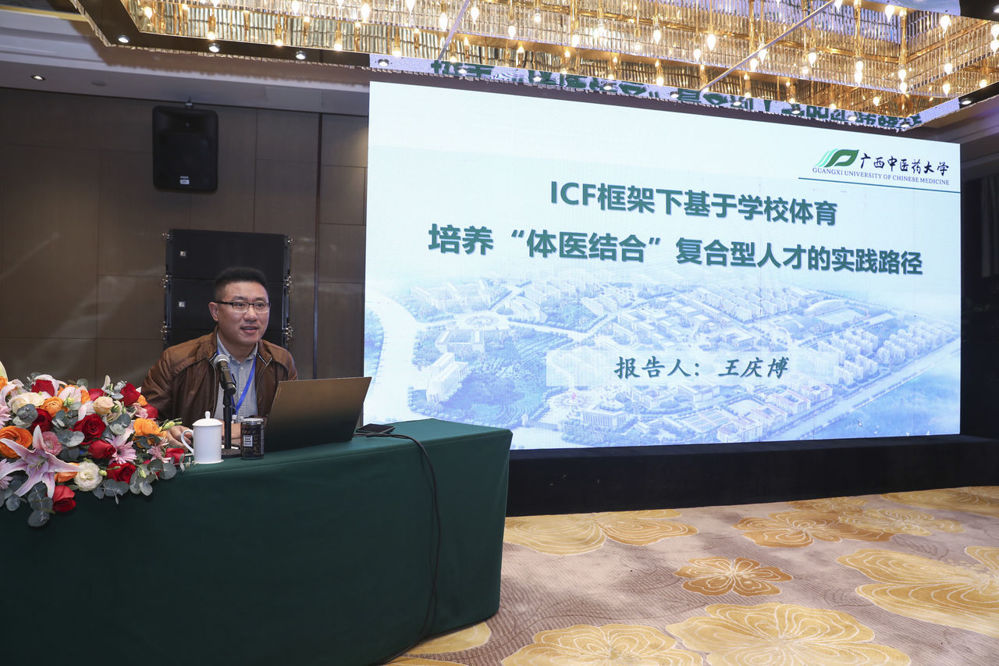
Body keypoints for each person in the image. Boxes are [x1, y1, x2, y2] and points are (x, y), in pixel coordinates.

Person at [142, 266, 297, 446]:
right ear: (215, 311)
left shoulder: (281, 361)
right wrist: (168, 431)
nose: (252, 315)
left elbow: (292, 421)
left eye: (260, 305)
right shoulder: (176, 360)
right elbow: (143, 421)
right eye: (239, 305)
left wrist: (236, 429)